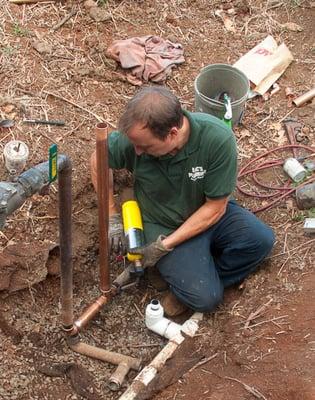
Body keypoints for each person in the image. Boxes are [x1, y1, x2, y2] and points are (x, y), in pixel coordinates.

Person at [90, 86, 275, 316]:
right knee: (207, 298)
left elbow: (216, 207)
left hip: (208, 213)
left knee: (261, 240)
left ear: (172, 134)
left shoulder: (216, 139)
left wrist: (161, 249)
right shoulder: (136, 139)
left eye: (145, 147)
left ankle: (190, 278)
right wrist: (112, 216)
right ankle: (190, 277)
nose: (137, 152)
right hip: (162, 225)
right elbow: (98, 158)